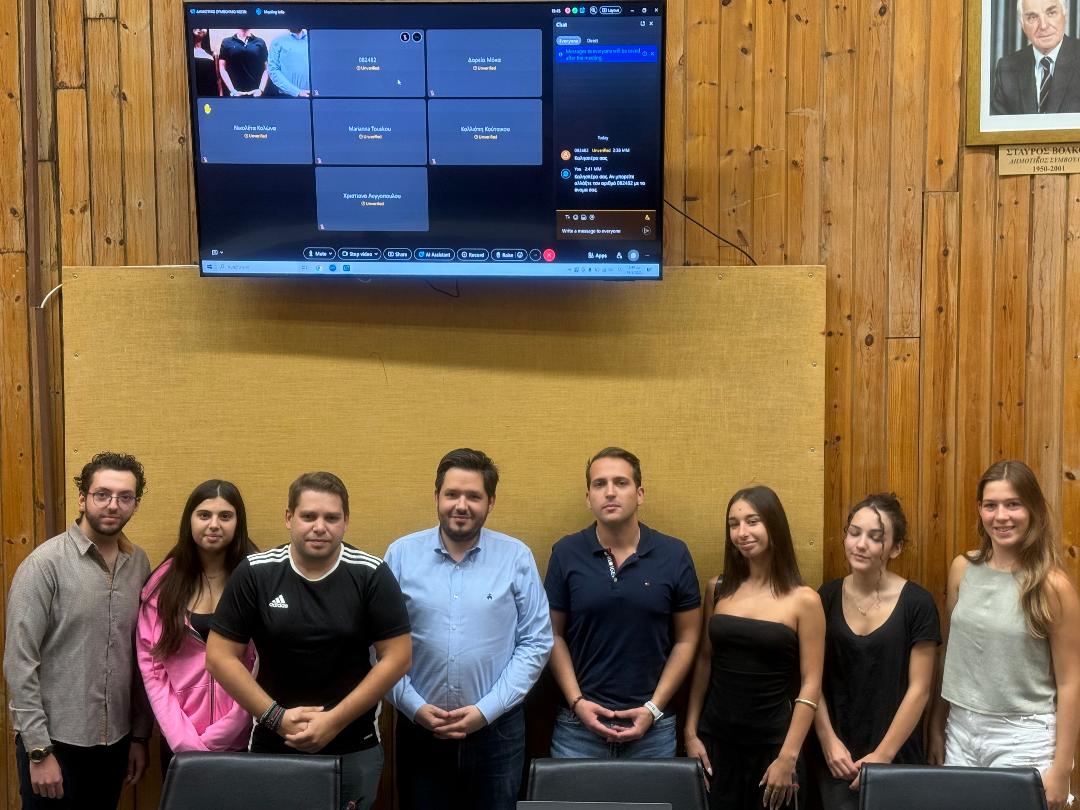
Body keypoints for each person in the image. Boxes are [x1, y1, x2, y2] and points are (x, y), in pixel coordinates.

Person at [206, 471, 412, 810]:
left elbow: (398, 657)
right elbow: (219, 656)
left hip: (353, 743)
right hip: (274, 741)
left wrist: (334, 721)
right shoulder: (256, 572)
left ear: (346, 521)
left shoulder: (371, 573)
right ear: (289, 518)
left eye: (331, 518)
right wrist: (276, 717)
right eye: (309, 516)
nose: (320, 527)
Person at [385, 448, 553, 810]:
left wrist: (486, 710)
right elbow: (378, 646)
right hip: (419, 730)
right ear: (436, 497)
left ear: (490, 502)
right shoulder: (400, 555)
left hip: (498, 732)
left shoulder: (516, 557)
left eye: (474, 496)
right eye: (452, 494)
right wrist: (413, 706)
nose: (461, 505)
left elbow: (536, 642)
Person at [4, 451, 152, 809]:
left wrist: (139, 737)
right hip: (55, 745)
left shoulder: (139, 564)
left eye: (125, 497)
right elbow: (19, 663)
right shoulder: (44, 565)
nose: (113, 505)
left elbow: (142, 655)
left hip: (116, 744)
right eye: (102, 494)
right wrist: (38, 751)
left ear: (135, 504)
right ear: (83, 499)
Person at [929, 460, 1080, 810]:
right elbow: (951, 654)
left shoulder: (1053, 586)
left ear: (1033, 509)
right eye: (991, 505)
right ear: (980, 509)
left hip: (1023, 738)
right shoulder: (962, 568)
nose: (1001, 516)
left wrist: (1062, 769)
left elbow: (1071, 682)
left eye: (1013, 504)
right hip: (961, 731)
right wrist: (936, 726)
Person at [544, 447, 701, 758]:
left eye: (621, 482)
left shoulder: (674, 554)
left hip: (653, 730)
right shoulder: (566, 552)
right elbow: (552, 634)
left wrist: (653, 708)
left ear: (639, 494)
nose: (610, 492)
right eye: (599, 484)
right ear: (588, 498)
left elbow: (688, 638)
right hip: (578, 730)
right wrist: (577, 702)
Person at [684, 485, 825, 810]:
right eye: (734, 524)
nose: (742, 532)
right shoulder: (718, 589)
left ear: (774, 525)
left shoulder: (805, 600)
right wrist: (690, 733)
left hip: (774, 748)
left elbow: (811, 683)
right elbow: (704, 662)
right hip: (716, 744)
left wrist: (788, 756)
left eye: (752, 521)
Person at [806, 494, 939, 810]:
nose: (860, 544)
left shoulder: (917, 603)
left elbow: (920, 689)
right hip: (833, 758)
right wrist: (828, 741)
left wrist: (882, 756)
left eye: (875, 537)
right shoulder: (825, 596)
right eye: (854, 533)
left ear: (896, 548)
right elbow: (811, 678)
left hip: (895, 758)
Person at [136, 480, 258, 775]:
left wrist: (229, 731)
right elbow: (152, 669)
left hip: (244, 739)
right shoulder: (163, 584)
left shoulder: (257, 578)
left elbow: (262, 665)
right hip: (179, 740)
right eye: (204, 515)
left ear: (238, 522)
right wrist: (184, 741)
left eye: (225, 516)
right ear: (189, 520)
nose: (214, 525)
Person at [991, 0, 1080, 115]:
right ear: (1022, 24)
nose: (1043, 26)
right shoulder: (1007, 68)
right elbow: (998, 125)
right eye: (1032, 17)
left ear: (1065, 15)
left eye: (1051, 13)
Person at [218, 29, 269, 97]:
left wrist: (260, 90)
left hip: (256, 94)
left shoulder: (260, 42)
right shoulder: (226, 42)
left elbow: (267, 68)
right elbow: (222, 68)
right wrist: (232, 90)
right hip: (233, 94)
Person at [267, 29, 310, 97]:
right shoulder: (278, 41)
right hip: (287, 97)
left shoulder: (312, 40)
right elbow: (273, 70)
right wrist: (296, 91)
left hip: (312, 95)